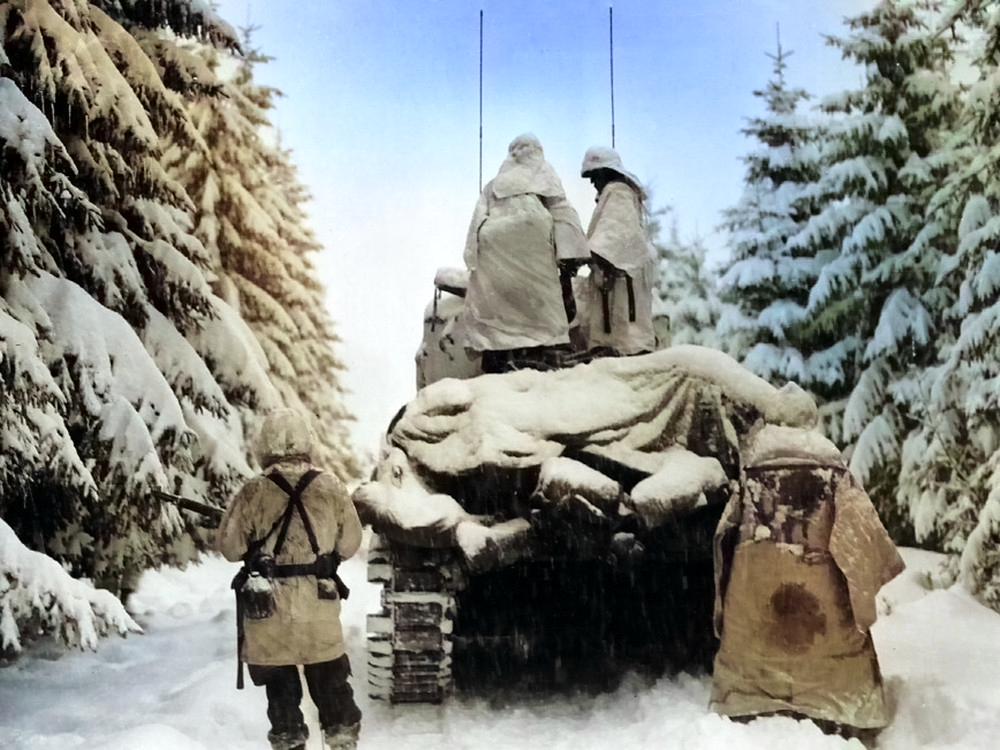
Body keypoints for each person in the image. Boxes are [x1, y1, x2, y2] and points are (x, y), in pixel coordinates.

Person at [216, 408, 364, 750]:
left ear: (265, 444)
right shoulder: (330, 487)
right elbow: (351, 542)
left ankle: (290, 741)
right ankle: (341, 741)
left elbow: (229, 547)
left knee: (281, 695)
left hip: (271, 610)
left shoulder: (254, 491)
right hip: (318, 606)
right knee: (331, 685)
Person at [458, 133, 590, 373]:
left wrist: (472, 255)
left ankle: (499, 352)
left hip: (494, 242)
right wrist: (572, 260)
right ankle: (537, 351)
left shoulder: (494, 183)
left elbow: (477, 222)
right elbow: (564, 214)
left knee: (496, 311)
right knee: (542, 311)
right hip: (534, 240)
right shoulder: (544, 175)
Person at [579, 146, 657, 356]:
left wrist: (585, 254)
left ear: (606, 171)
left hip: (622, 283)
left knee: (626, 342)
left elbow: (615, 238)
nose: (593, 183)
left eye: (595, 176)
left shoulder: (618, 193)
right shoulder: (616, 195)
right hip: (622, 280)